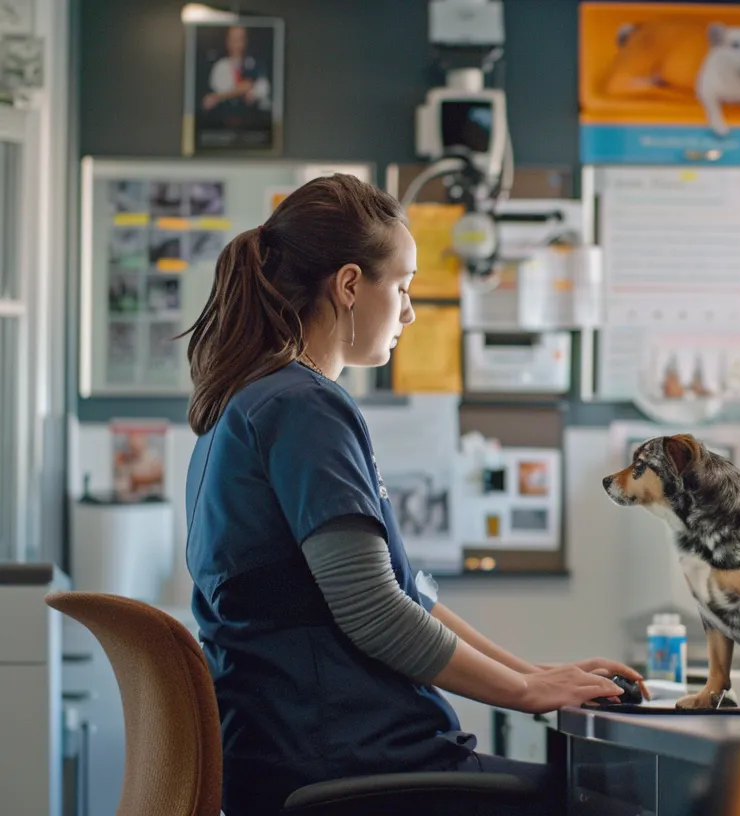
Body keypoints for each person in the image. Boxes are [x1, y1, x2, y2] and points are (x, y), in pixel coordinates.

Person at [181, 175, 635, 816]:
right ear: (348, 286)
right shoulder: (304, 406)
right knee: (624, 801)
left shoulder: (245, 403)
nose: (411, 311)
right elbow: (375, 613)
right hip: (348, 759)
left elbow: (401, 598)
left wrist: (533, 675)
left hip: (293, 752)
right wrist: (526, 695)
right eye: (402, 286)